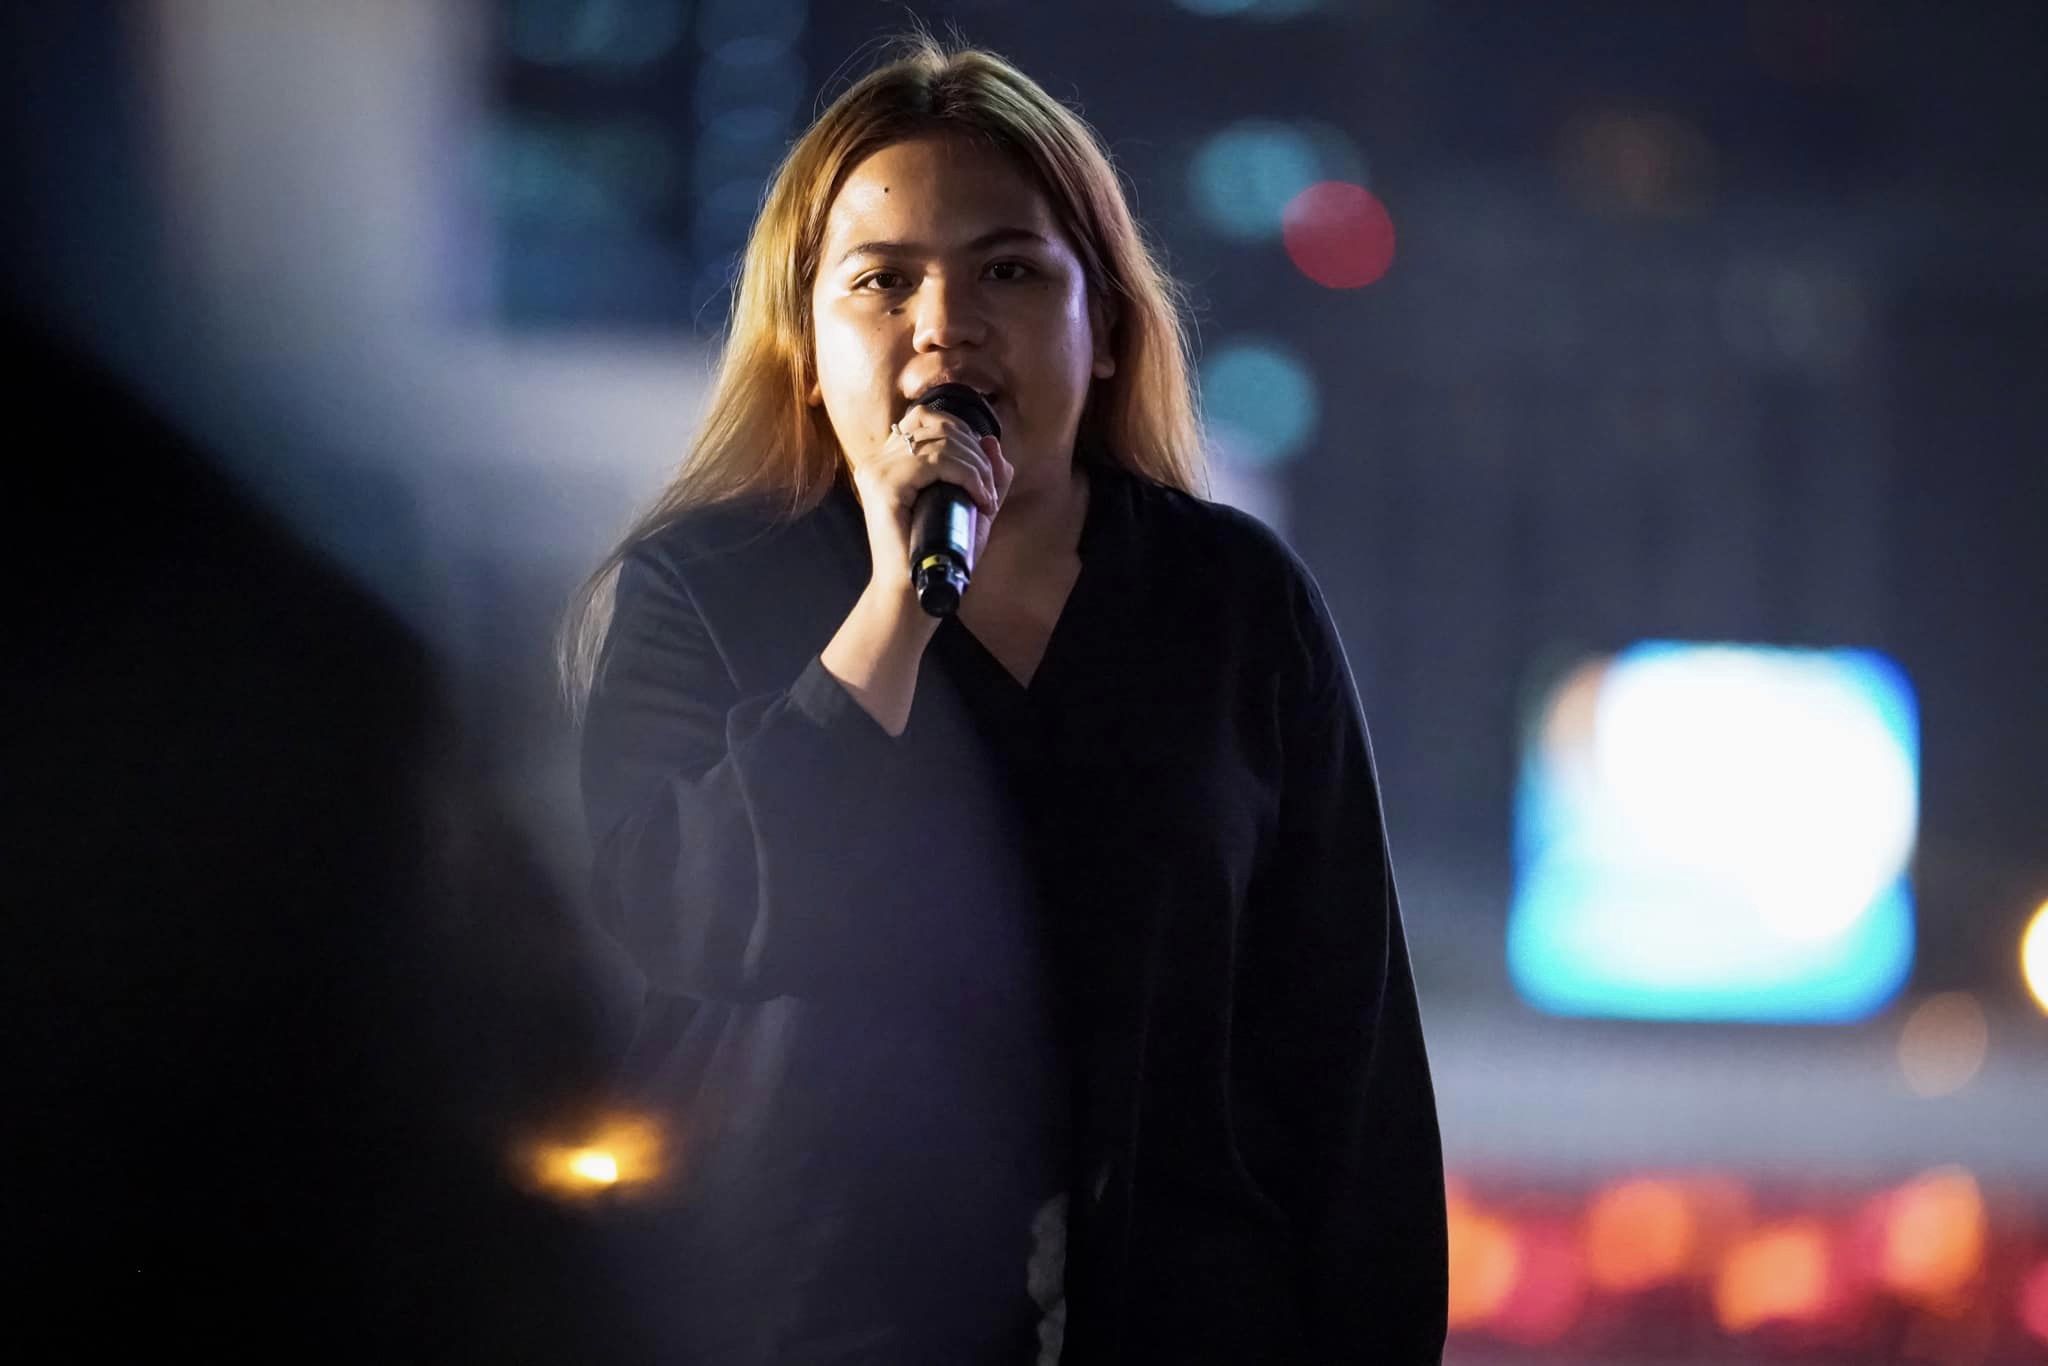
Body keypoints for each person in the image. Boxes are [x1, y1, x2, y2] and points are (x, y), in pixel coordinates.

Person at [564, 35, 1447, 1365]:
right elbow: (692, 915)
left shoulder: (1231, 605)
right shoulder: (693, 596)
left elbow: (1345, 1049)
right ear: (807, 344)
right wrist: (895, 611)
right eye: (884, 281)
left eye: (1010, 272)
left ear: (1104, 334)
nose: (945, 325)